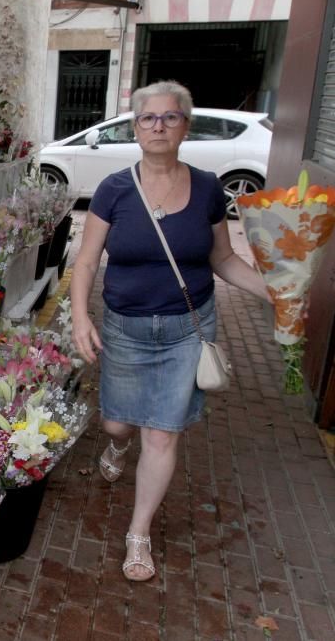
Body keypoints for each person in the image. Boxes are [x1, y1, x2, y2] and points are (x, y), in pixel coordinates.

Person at [69, 81, 271, 582]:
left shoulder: (208, 188)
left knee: (162, 433)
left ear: (186, 125)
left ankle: (138, 534)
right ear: (135, 128)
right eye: (147, 118)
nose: (158, 126)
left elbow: (222, 258)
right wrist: (79, 316)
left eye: (170, 117)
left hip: (189, 326)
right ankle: (116, 444)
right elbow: (87, 261)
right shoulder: (114, 189)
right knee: (119, 422)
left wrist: (277, 293)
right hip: (126, 328)